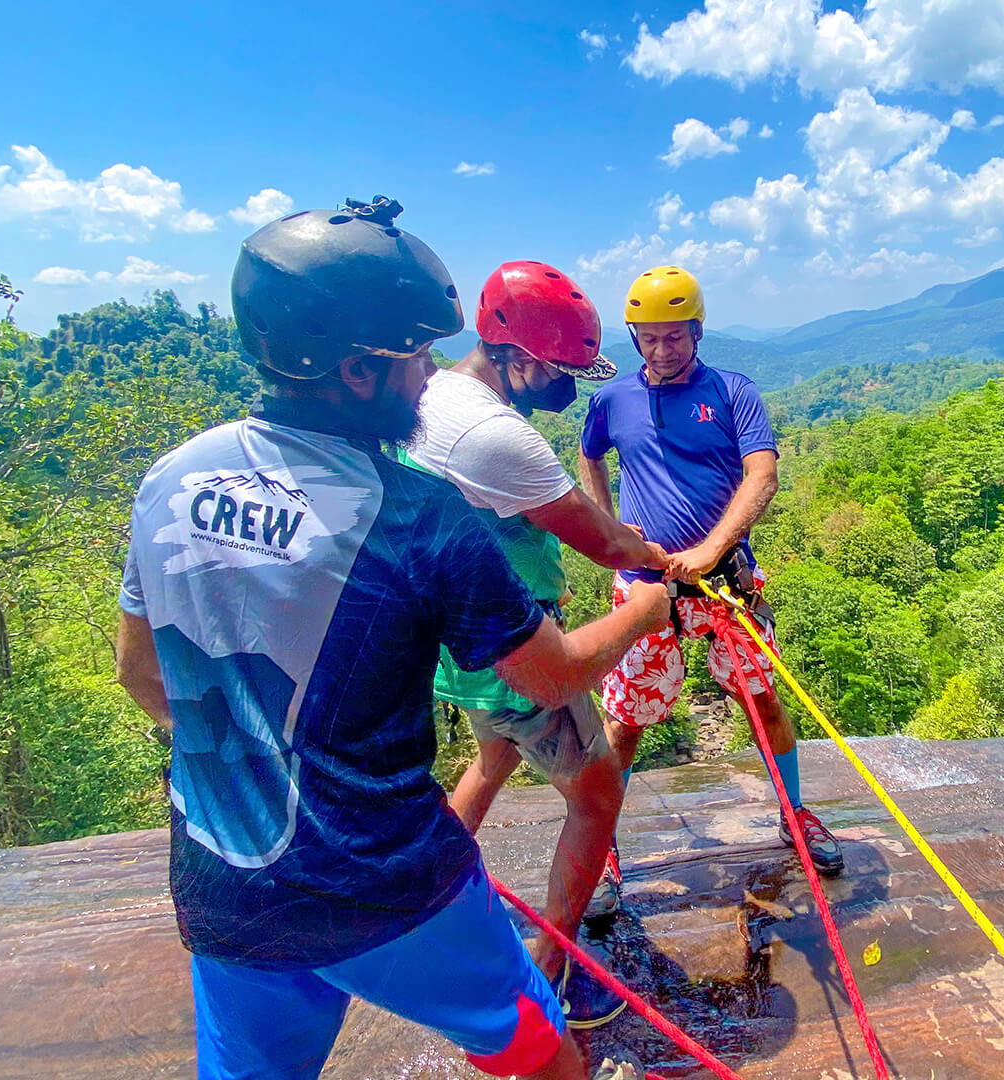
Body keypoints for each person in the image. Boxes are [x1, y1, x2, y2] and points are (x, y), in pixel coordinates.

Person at [115, 197, 665, 1080]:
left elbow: (143, 675)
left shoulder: (175, 476)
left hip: (225, 882)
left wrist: (267, 769)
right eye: (415, 356)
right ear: (360, 369)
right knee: (541, 1055)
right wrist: (645, 608)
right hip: (387, 882)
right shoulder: (416, 516)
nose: (427, 375)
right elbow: (549, 676)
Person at [398, 260, 668, 1028]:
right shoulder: (497, 436)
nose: (569, 387)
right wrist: (650, 580)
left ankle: (418, 897)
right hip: (514, 649)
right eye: (559, 371)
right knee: (597, 790)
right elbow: (604, 545)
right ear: (516, 357)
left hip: (453, 643)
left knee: (492, 759)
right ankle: (552, 968)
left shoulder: (435, 395)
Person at [578, 265, 847, 905]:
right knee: (626, 722)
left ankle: (795, 813)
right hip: (647, 589)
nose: (663, 349)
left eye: (676, 336)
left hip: (726, 584)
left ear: (697, 332)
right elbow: (591, 455)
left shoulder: (732, 392)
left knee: (763, 703)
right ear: (635, 338)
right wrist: (610, 532)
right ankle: (601, 846)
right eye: (650, 338)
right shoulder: (611, 401)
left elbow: (763, 476)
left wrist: (711, 549)